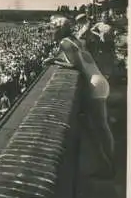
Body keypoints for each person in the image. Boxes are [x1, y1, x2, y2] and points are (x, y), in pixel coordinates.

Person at [44, 16, 115, 179]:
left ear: (60, 30)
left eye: (52, 29)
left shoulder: (64, 43)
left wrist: (54, 62)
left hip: (93, 85)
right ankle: (110, 163)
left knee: (97, 130)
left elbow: (74, 65)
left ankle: (107, 168)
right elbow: (78, 59)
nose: (50, 32)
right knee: (103, 129)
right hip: (99, 80)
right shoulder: (74, 40)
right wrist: (57, 59)